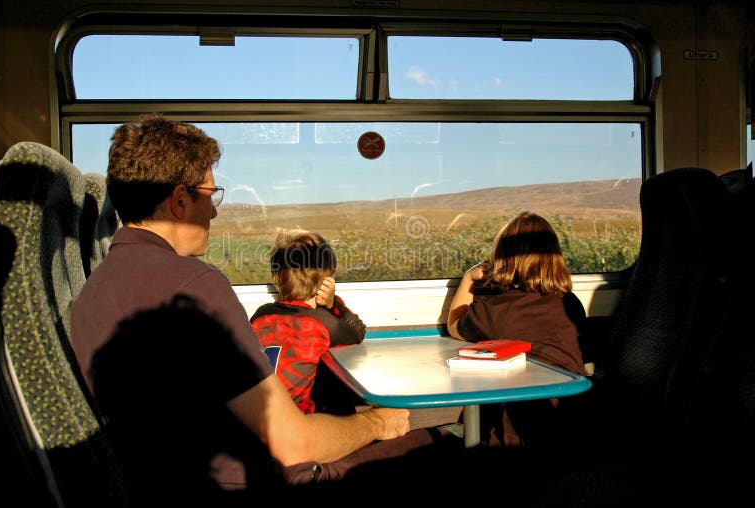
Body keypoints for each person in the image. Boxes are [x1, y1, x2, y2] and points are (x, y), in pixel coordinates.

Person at [70, 113, 457, 503]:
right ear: (180, 200)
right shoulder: (192, 284)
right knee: (434, 442)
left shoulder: (93, 291)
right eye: (212, 193)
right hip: (250, 487)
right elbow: (293, 444)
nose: (216, 211)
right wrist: (377, 422)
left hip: (166, 486)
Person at [447, 211, 588, 448]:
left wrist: (468, 279)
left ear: (502, 259)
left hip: (519, 432)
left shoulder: (497, 310)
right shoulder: (570, 302)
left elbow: (454, 325)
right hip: (576, 420)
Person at [250, 229, 366, 415]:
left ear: (278, 280)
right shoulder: (321, 322)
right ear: (325, 283)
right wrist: (332, 303)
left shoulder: (261, 315)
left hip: (259, 416)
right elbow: (358, 331)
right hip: (299, 424)